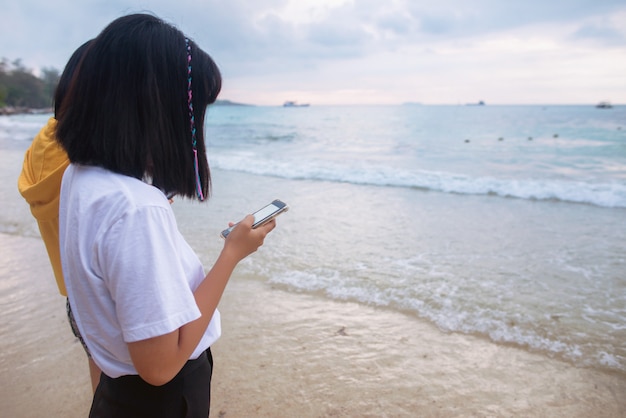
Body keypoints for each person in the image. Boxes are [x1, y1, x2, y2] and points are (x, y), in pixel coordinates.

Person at [55, 13, 275, 417]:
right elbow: (160, 367)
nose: (192, 129)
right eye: (189, 113)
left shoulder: (79, 175)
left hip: (116, 392)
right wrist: (232, 253)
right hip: (159, 400)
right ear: (155, 110)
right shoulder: (136, 208)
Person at [17, 39, 103, 392]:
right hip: (103, 295)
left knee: (104, 385)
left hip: (75, 295)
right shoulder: (90, 164)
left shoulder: (44, 144)